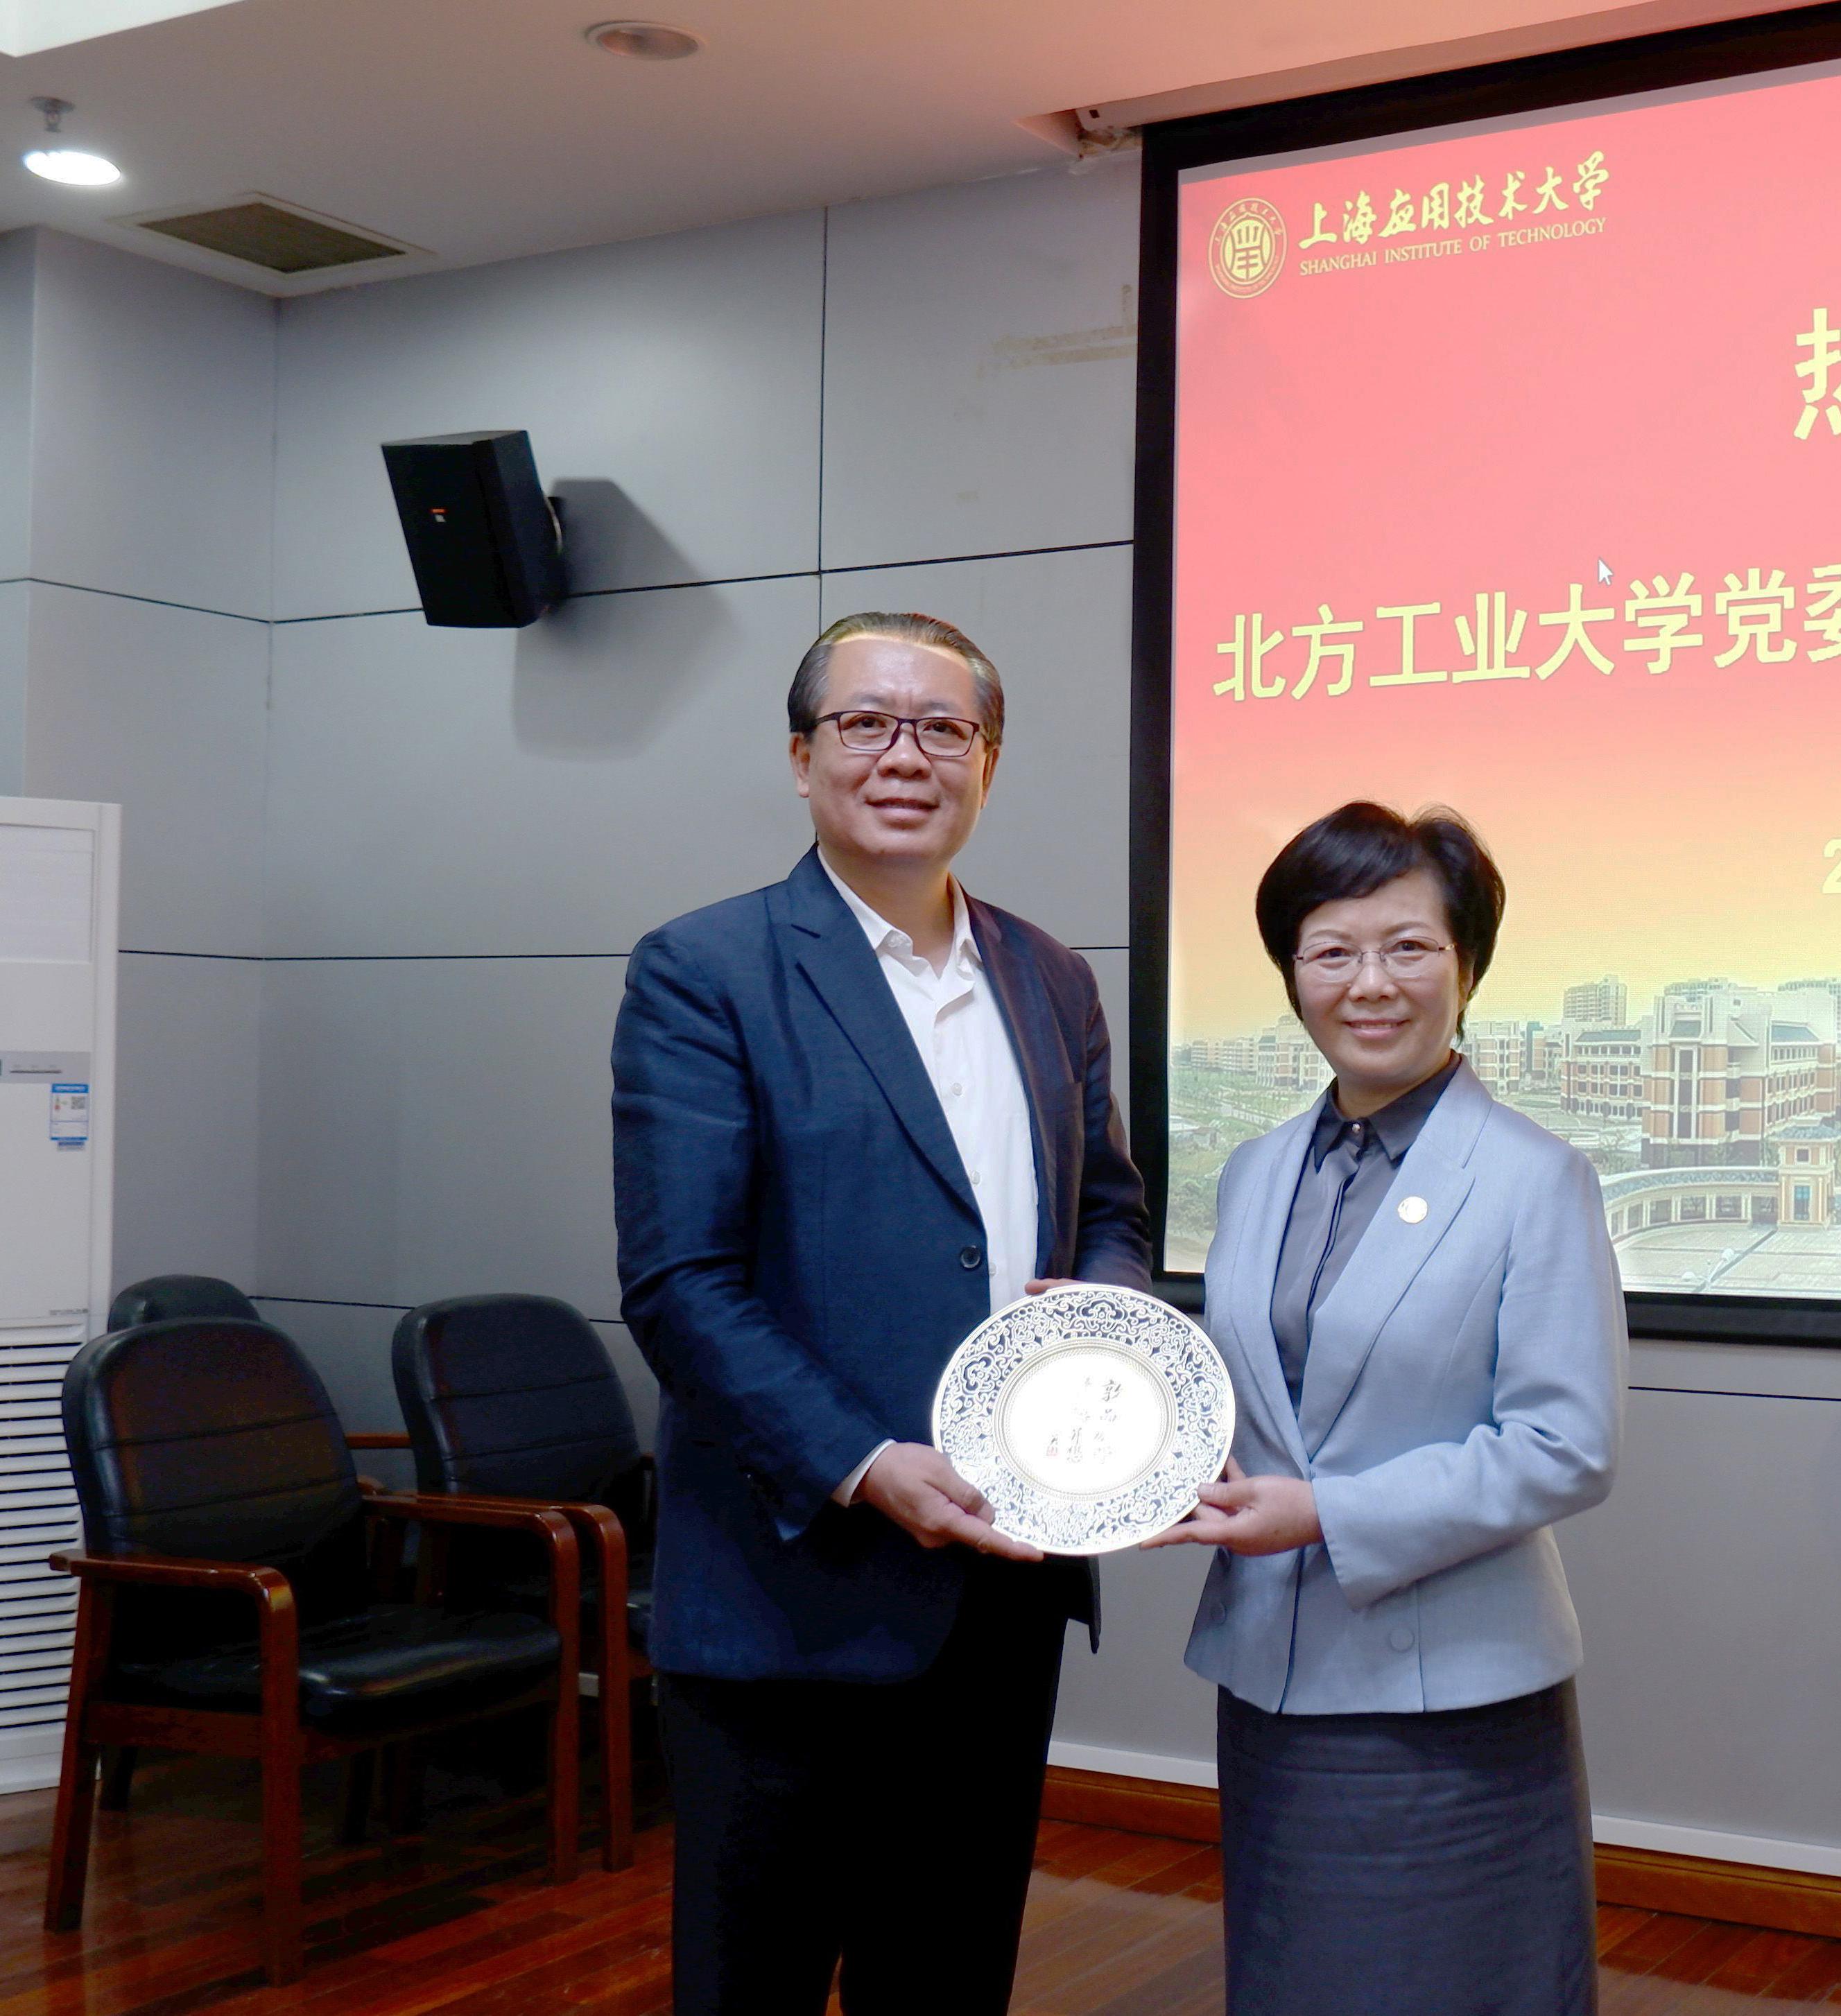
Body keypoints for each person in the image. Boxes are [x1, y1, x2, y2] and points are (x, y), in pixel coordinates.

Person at [610, 610, 1150, 2015]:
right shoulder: (706, 969)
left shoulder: (1053, 977)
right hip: (789, 1594)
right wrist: (863, 1462)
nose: (905, 756)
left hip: (1002, 1588)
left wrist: (1105, 1326)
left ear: (989, 761)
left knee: (949, 1979)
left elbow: (1109, 1209)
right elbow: (679, 1282)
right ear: (802, 757)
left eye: (944, 728)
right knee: (756, 1988)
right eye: (865, 723)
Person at [1146, 801, 1625, 2016]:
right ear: (1291, 973)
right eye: (1331, 951)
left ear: (1466, 967)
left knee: (1456, 1984)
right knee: (1294, 1976)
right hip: (1270, 1671)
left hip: (1450, 1694)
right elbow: (1268, 1396)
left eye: (1408, 947)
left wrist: (1325, 1514)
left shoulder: (1532, 1177)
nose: (1369, 984)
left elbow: (1564, 1447)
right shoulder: (1254, 1169)